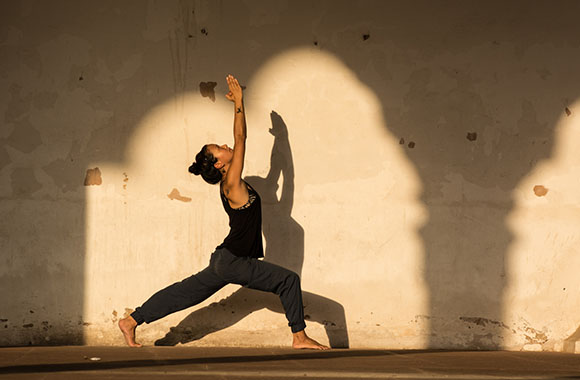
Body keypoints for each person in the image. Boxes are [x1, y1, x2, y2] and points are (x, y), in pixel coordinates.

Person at [118, 74, 329, 350]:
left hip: (226, 259)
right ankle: (299, 337)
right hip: (235, 261)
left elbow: (280, 177)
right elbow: (240, 138)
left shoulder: (232, 184)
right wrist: (239, 103)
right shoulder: (230, 184)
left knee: (184, 293)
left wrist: (280, 142)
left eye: (221, 144)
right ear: (218, 165)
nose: (226, 146)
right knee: (288, 280)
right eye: (220, 148)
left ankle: (132, 320)